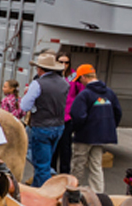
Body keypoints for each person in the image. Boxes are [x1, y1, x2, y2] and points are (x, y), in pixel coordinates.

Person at [68, 66, 121, 193]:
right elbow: (117, 112)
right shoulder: (109, 93)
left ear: (84, 77)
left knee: (78, 165)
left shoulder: (85, 95)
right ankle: (98, 194)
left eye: (80, 79)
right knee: (96, 166)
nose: (80, 82)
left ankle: (73, 192)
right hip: (101, 137)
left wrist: (76, 130)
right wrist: (108, 128)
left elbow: (77, 115)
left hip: (84, 136)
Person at [19, 52, 69, 186]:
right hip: (58, 126)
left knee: (41, 165)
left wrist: (35, 107)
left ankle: (45, 192)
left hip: (41, 126)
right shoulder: (64, 84)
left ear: (40, 69)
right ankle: (39, 184)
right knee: (45, 161)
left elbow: (25, 105)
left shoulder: (38, 84)